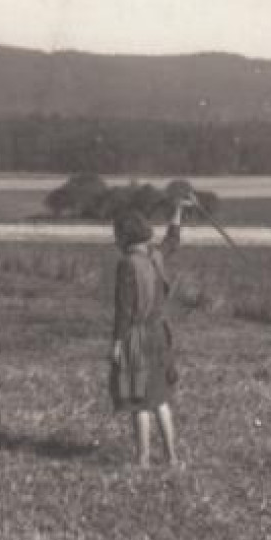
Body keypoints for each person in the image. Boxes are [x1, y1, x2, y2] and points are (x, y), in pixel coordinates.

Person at [108, 195, 187, 467]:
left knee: (138, 402)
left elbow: (124, 310)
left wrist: (117, 344)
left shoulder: (127, 265)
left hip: (136, 338)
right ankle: (172, 457)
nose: (114, 239)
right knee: (161, 400)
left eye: (116, 233)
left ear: (124, 236)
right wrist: (177, 212)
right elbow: (172, 241)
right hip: (160, 335)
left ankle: (142, 460)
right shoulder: (156, 255)